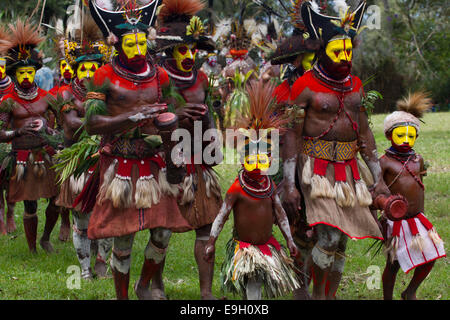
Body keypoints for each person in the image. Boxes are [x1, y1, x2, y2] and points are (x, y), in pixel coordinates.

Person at [283, 1, 390, 299]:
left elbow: (364, 132)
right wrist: (289, 184)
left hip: (348, 170)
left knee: (340, 239)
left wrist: (377, 176)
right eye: (337, 52)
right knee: (328, 235)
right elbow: (291, 134)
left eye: (348, 51)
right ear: (321, 51)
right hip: (314, 168)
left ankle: (325, 296)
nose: (345, 57)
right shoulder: (304, 85)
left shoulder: (355, 85)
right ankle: (314, 295)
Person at [86, 0, 190, 300]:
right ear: (117, 44)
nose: (137, 50)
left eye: (141, 43)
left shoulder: (161, 76)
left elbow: (171, 115)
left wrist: (177, 128)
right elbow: (91, 124)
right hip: (120, 164)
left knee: (163, 232)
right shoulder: (104, 75)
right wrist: (126, 118)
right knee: (124, 237)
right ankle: (122, 297)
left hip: (154, 162)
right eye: (130, 45)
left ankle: (144, 284)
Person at [151, 0, 222, 300]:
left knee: (206, 229)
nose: (190, 56)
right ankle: (154, 286)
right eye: (183, 50)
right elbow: (150, 121)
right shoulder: (159, 79)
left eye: (193, 50)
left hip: (199, 161)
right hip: (169, 162)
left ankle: (206, 292)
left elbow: (207, 116)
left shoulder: (202, 79)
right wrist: (178, 116)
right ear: (169, 51)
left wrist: (213, 143)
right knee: (162, 231)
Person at [204, 80, 300, 300]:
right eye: (251, 159)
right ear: (242, 159)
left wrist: (290, 241)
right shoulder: (237, 188)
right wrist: (211, 242)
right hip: (246, 248)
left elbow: (280, 213)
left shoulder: (269, 186)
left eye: (262, 159)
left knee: (256, 286)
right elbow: (222, 215)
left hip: (266, 246)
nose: (257, 165)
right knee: (253, 285)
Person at [52, 14, 113, 279]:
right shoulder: (65, 93)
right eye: (82, 69)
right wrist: (103, 123)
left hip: (105, 159)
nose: (88, 74)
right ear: (75, 70)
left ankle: (102, 260)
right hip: (79, 163)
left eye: (93, 68)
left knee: (109, 214)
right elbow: (71, 123)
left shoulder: (108, 91)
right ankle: (85, 270)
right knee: (82, 220)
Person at [0, 19, 61, 253]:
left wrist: (51, 131)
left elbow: (62, 124)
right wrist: (17, 131)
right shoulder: (7, 102)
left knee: (56, 201)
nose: (26, 76)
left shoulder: (48, 97)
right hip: (23, 158)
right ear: (15, 75)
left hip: (46, 154)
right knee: (30, 204)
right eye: (22, 72)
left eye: (29, 72)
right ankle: (32, 247)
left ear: (35, 72)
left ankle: (46, 238)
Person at [380, 92, 445, 300]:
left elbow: (421, 187)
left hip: (417, 219)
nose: (406, 140)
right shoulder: (385, 162)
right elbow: (376, 191)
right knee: (394, 263)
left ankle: (410, 292)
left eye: (411, 136)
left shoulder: (418, 160)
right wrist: (380, 218)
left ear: (416, 136)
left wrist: (423, 214)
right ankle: (387, 298)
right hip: (395, 220)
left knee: (432, 254)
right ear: (389, 135)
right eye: (401, 135)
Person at [0, 27, 16, 235]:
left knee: (12, 182)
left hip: (12, 140)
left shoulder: (14, 87)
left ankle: (11, 213)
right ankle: (1, 217)